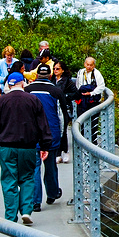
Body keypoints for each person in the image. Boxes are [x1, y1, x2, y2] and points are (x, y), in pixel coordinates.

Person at [0, 72, 51, 225]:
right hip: (28, 146)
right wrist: (45, 145)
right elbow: (43, 124)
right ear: (23, 83)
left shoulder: (1, 101)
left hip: (7, 146)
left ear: (8, 85)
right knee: (27, 178)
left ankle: (10, 215)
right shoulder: (33, 100)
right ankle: (26, 211)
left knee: (9, 180)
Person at [25, 63, 71, 210]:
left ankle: (35, 202)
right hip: (51, 134)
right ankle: (52, 193)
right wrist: (62, 135)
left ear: (37, 75)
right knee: (50, 165)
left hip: (32, 135)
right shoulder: (56, 91)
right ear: (50, 76)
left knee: (34, 167)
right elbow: (63, 116)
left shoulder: (28, 90)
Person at [52, 59, 78, 163]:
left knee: (63, 130)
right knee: (57, 130)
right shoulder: (53, 80)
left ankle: (65, 151)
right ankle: (58, 153)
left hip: (65, 108)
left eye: (57, 69)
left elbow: (76, 93)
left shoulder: (68, 81)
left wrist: (65, 97)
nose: (55, 70)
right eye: (54, 68)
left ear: (62, 70)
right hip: (55, 108)